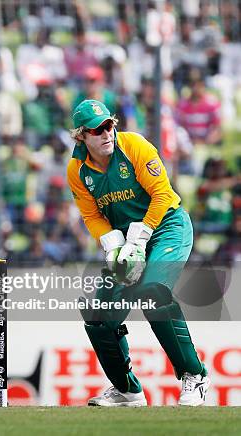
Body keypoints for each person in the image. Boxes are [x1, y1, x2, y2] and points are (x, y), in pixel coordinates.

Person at [66, 99, 209, 407]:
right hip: (127, 244)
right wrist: (114, 244)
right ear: (81, 137)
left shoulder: (133, 146)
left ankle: (194, 375)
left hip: (167, 226)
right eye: (96, 131)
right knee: (97, 315)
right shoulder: (77, 170)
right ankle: (126, 390)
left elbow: (161, 194)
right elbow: (92, 215)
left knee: (152, 291)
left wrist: (140, 238)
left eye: (108, 126)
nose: (106, 134)